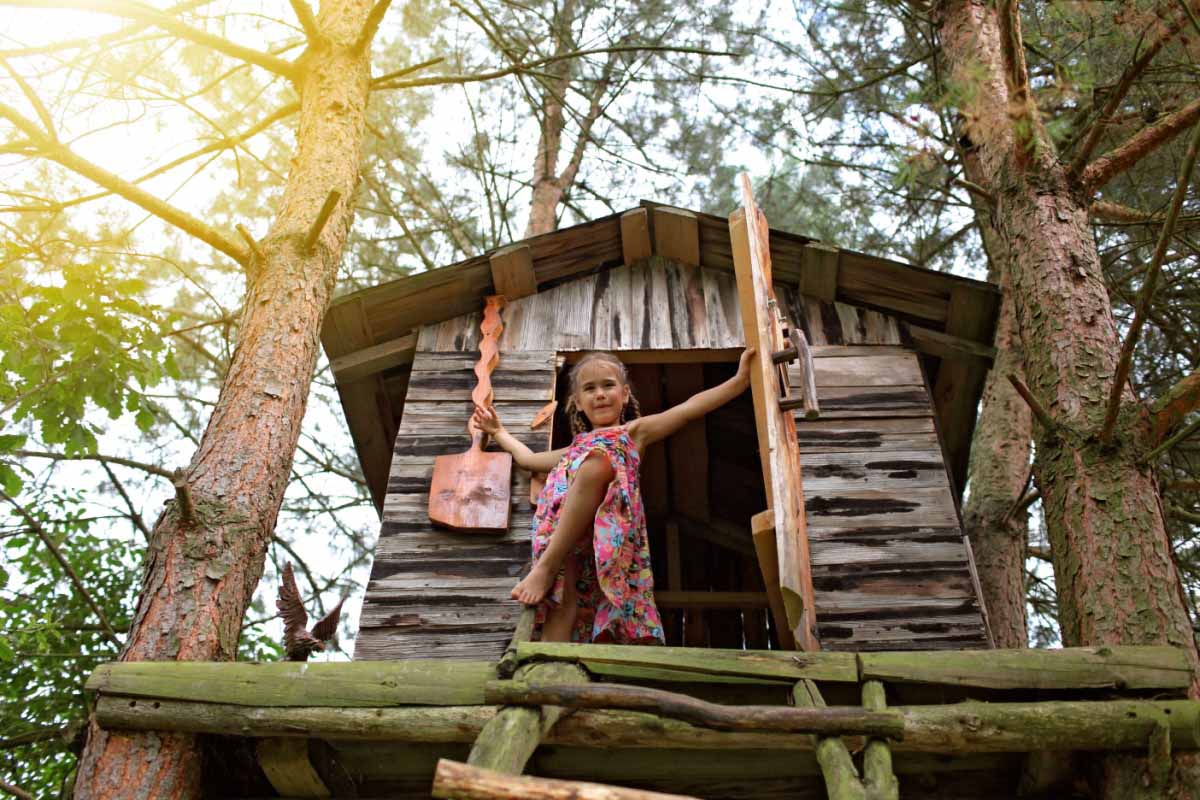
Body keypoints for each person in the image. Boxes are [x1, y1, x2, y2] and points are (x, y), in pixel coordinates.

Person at [471, 348, 756, 644]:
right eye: (590, 389)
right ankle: (547, 663)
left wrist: (738, 381)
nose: (600, 394)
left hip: (607, 527)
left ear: (624, 393)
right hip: (563, 532)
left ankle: (545, 568)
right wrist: (500, 432)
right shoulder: (573, 451)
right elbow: (529, 460)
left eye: (608, 385)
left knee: (598, 463)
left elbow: (687, 410)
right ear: (578, 403)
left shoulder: (633, 433)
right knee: (562, 597)